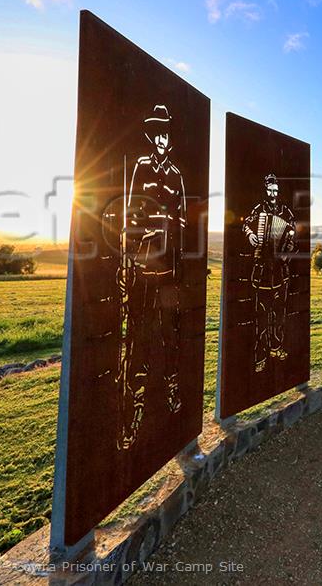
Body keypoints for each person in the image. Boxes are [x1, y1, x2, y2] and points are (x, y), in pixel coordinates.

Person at [117, 104, 186, 450]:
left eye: (166, 132)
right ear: (151, 135)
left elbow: (183, 223)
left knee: (170, 334)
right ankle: (134, 411)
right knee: (140, 339)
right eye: (157, 132)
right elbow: (130, 215)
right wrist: (130, 256)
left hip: (169, 272)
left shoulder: (176, 175)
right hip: (143, 270)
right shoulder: (141, 168)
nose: (162, 138)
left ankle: (172, 388)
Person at [243, 174, 297, 372]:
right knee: (262, 317)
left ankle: (276, 347)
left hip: (280, 272)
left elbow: (293, 236)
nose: (273, 194)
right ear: (265, 190)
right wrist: (250, 235)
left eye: (276, 190)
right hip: (262, 271)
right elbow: (246, 224)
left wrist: (286, 250)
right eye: (270, 190)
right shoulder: (259, 210)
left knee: (279, 314)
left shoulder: (286, 212)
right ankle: (260, 356)